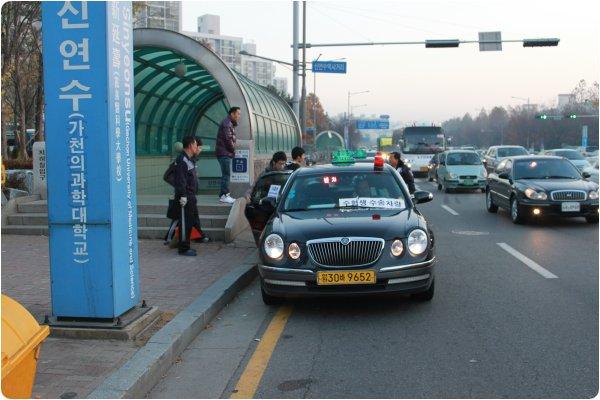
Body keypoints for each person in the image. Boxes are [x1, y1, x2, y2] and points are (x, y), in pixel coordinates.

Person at [174, 136, 202, 256]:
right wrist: (183, 195)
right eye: (195, 145)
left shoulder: (189, 159)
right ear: (190, 145)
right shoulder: (182, 160)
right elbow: (181, 180)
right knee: (185, 223)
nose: (197, 147)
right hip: (186, 197)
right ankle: (184, 248)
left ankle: (187, 244)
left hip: (191, 196)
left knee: (190, 222)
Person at [216, 107, 241, 204]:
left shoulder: (229, 123)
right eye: (238, 114)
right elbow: (228, 139)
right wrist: (233, 149)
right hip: (224, 153)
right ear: (232, 114)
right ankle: (224, 195)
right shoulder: (227, 124)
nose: (239, 116)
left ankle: (224, 194)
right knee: (226, 174)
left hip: (224, 152)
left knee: (225, 174)